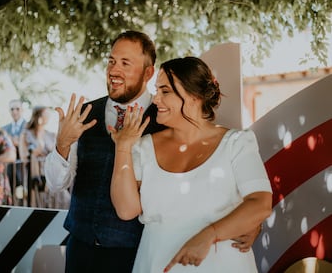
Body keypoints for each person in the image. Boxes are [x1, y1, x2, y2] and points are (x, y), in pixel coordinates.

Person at [44, 31, 260, 273]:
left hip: (137, 251)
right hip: (81, 248)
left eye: (126, 63)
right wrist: (61, 145)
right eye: (112, 61)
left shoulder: (172, 119)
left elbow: (205, 178)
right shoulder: (84, 115)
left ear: (148, 72)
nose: (114, 70)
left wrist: (250, 221)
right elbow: (54, 184)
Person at [110, 57, 273, 273]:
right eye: (157, 90)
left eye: (165, 91)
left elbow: (260, 203)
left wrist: (210, 234)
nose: (156, 99)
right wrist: (122, 148)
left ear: (194, 96)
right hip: (157, 265)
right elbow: (126, 210)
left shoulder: (237, 143)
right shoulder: (144, 147)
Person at [19, 106, 68, 208]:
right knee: (37, 204)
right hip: (34, 174)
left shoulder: (51, 135)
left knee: (64, 200)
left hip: (51, 173)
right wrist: (38, 146)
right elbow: (24, 156)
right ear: (38, 116)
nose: (48, 117)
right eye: (46, 114)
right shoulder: (26, 134)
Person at [1, 99, 26, 200]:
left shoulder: (28, 126)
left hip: (24, 169)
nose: (14, 111)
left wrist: (19, 142)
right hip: (8, 170)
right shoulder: (4, 129)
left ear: (22, 110)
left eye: (17, 109)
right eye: (12, 109)